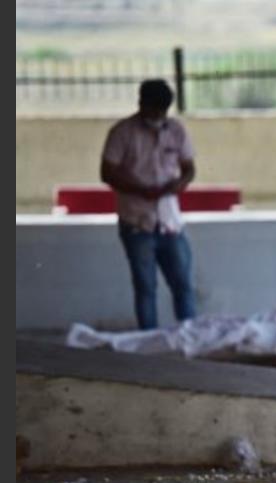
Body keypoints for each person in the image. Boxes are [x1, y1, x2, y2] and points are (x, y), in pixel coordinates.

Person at [100, 79, 197, 330]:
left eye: (161, 111)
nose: (156, 116)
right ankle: (148, 342)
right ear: (141, 104)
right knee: (145, 287)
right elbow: (107, 172)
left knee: (183, 283)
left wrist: (177, 186)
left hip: (170, 221)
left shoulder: (176, 130)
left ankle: (188, 336)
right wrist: (140, 190)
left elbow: (189, 168)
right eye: (152, 109)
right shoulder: (123, 133)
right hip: (136, 221)